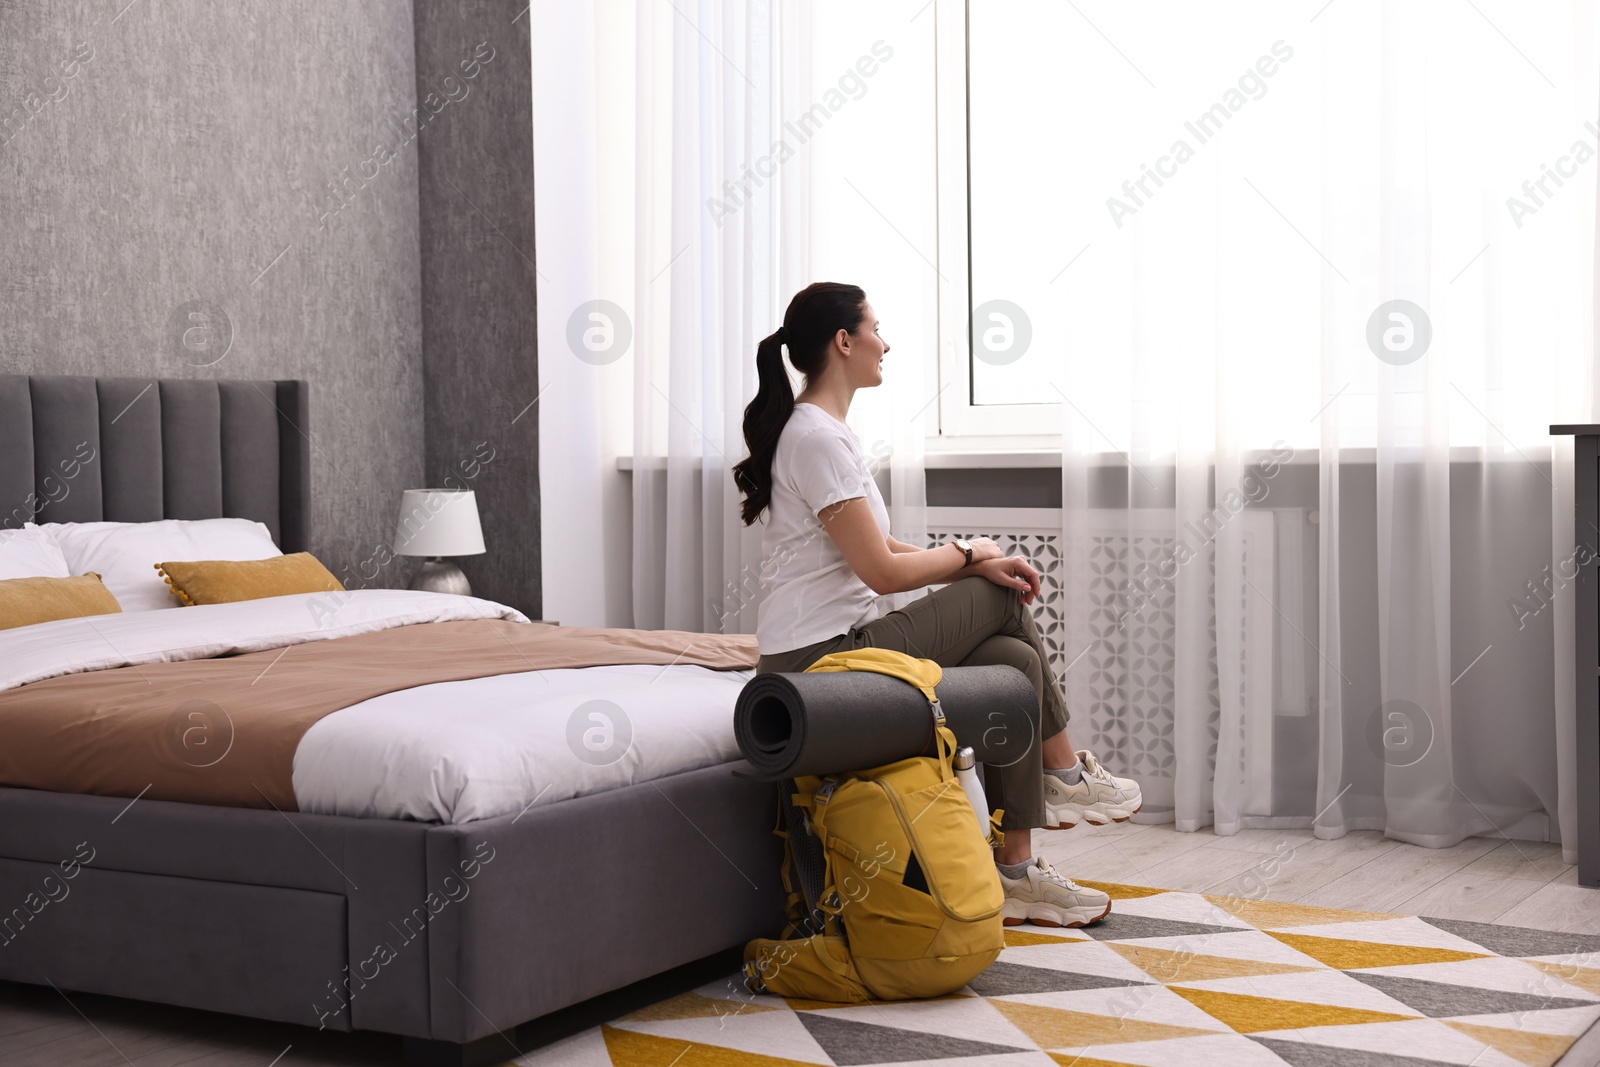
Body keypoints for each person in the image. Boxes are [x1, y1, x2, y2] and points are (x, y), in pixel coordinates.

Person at [733, 282, 1142, 929]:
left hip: (843, 647)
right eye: (875, 328)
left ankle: (1015, 872)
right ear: (844, 341)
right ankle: (1064, 771)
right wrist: (971, 553)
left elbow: (878, 546)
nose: (885, 342)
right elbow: (882, 570)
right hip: (820, 667)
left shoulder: (823, 433)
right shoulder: (815, 438)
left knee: (1010, 660)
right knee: (993, 596)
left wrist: (972, 557)